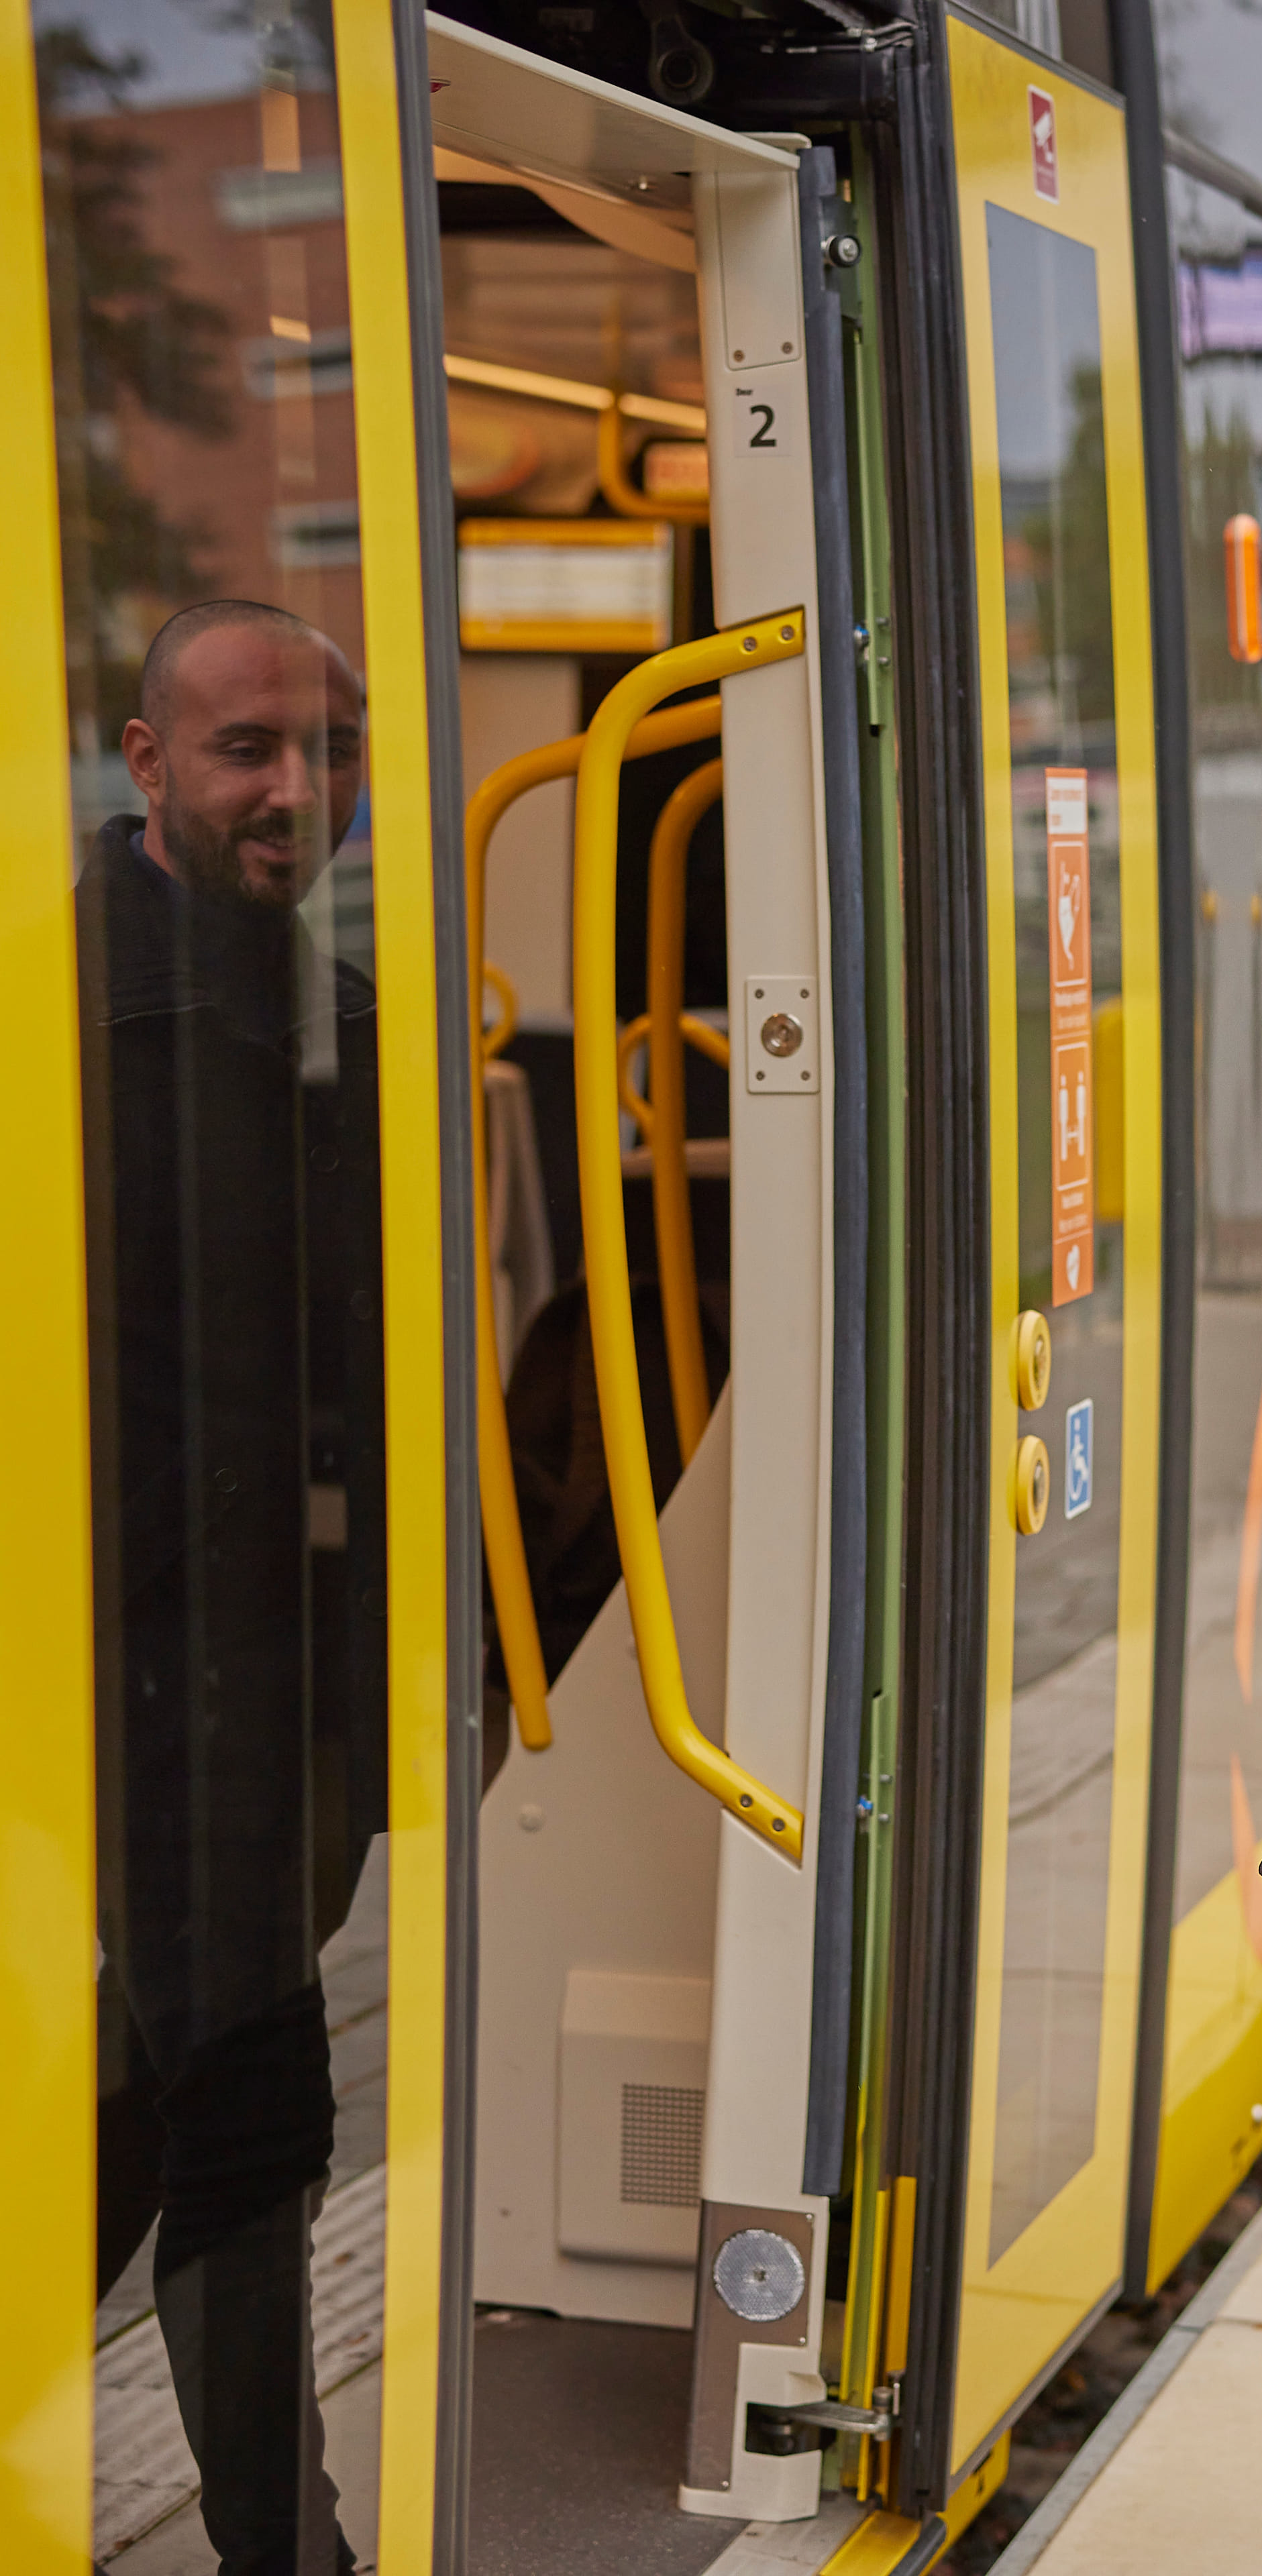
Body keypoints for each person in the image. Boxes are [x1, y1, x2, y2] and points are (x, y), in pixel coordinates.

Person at [83, 599, 383, 2576]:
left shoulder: (320, 994)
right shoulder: (68, 1010)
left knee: (193, 2120)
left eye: (324, 749)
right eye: (242, 748)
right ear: (143, 760)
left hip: (282, 1698)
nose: (292, 788)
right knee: (209, 2125)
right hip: (131, 1701)